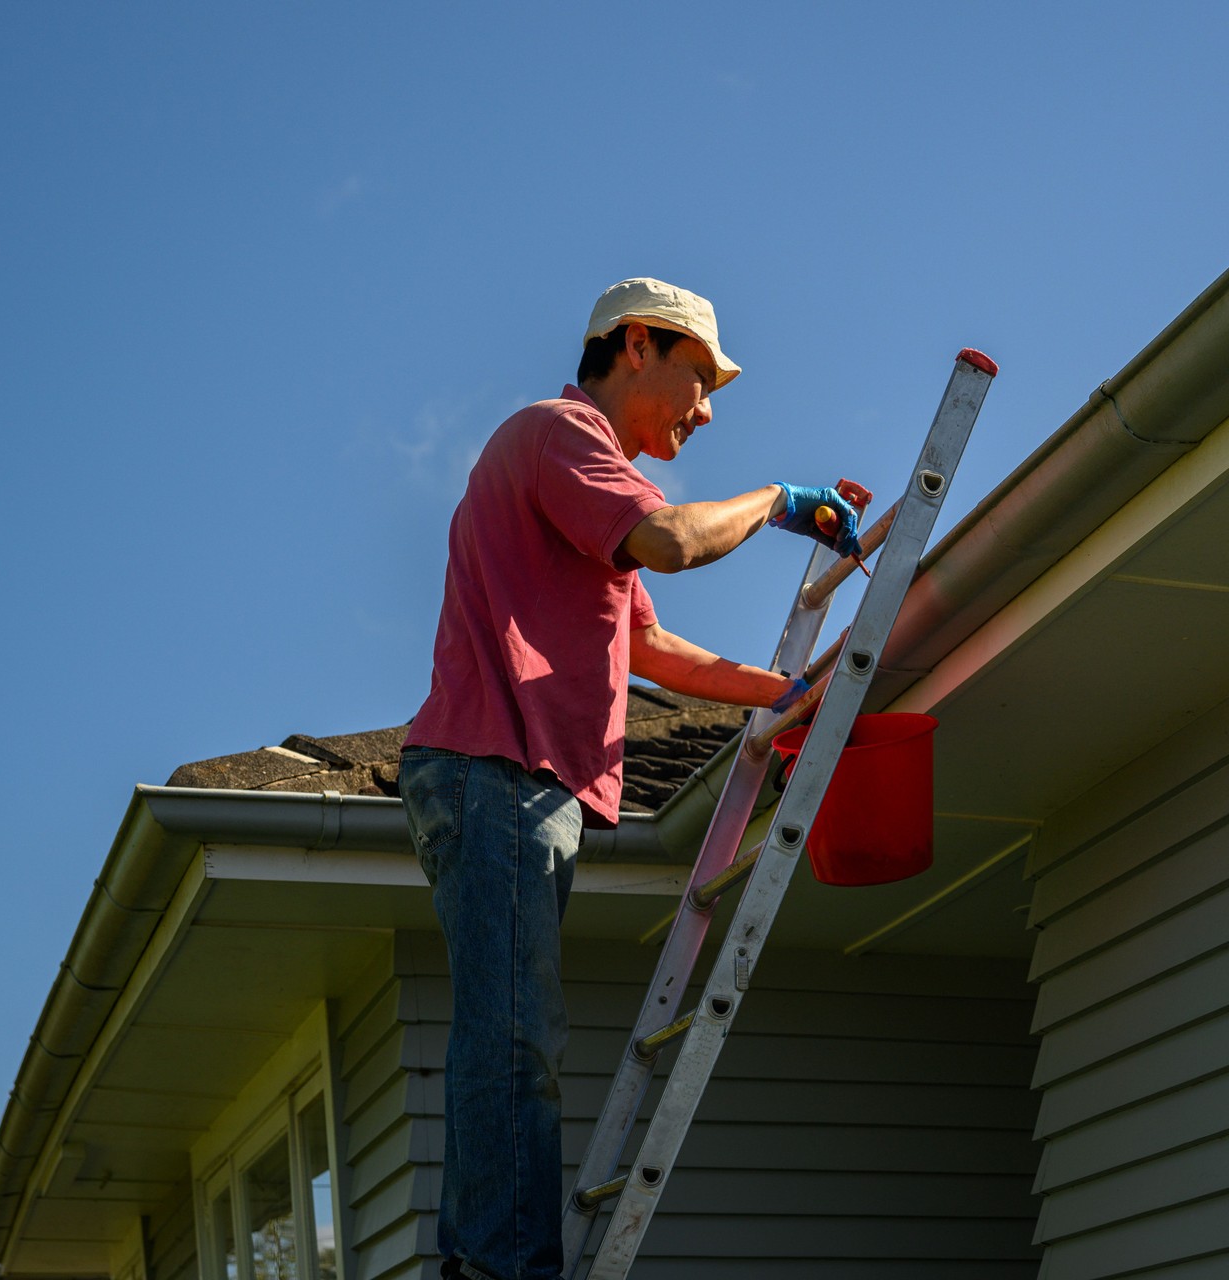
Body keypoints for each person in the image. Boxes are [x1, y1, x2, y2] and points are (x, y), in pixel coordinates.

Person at [396, 278, 860, 1280]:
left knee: (513, 1034)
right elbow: (676, 540)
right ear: (638, 344)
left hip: (512, 780)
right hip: (497, 771)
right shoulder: (560, 433)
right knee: (514, 1038)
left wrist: (789, 689)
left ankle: (494, 1259)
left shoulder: (580, 476)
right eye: (699, 379)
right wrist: (780, 502)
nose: (704, 411)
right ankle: (501, 1267)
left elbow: (649, 647)